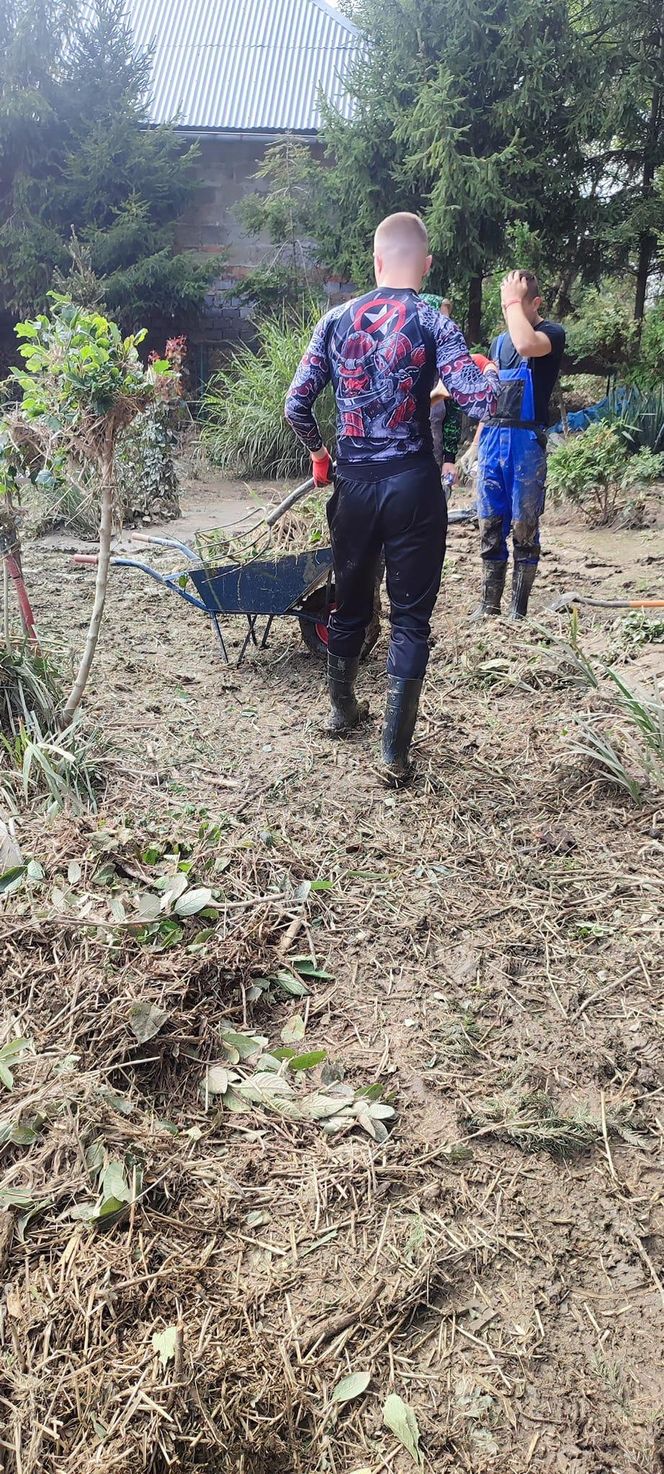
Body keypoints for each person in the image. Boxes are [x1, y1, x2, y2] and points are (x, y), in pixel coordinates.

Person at [284, 212, 498, 784]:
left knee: (350, 599)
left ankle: (341, 708)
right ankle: (393, 753)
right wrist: (497, 375)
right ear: (424, 266)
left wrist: (320, 454)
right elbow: (477, 401)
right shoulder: (431, 319)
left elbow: (296, 405)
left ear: (376, 260)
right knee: (410, 619)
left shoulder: (335, 320)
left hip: (352, 486)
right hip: (411, 488)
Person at [474, 270, 565, 620]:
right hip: (494, 439)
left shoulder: (550, 334)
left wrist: (514, 300)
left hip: (526, 442)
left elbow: (527, 344)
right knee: (490, 522)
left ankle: (518, 611)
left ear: (535, 303)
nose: (507, 310)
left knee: (523, 525)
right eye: (504, 304)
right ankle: (489, 607)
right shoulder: (499, 343)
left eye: (513, 303)